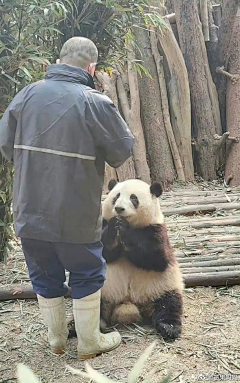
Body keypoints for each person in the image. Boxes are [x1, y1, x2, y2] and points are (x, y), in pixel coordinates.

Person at [0, 37, 134, 359]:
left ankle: (57, 341)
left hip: (30, 212)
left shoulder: (27, 94)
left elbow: (6, 145)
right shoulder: (96, 102)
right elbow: (121, 152)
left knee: (43, 272)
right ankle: (89, 342)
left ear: (57, 61)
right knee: (87, 270)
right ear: (92, 68)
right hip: (76, 215)